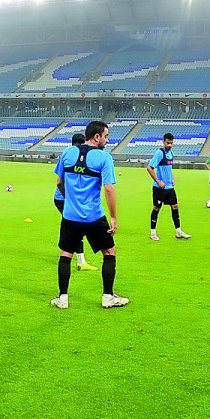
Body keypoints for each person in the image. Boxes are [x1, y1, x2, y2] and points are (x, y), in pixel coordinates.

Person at [51, 120, 127, 311]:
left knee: (66, 254)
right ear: (97, 136)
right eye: (106, 136)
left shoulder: (68, 153)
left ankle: (63, 298)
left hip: (70, 216)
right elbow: (109, 189)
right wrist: (114, 217)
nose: (107, 140)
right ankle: (108, 296)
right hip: (93, 216)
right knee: (109, 252)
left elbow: (59, 182)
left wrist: (70, 200)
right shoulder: (104, 157)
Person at [54, 133, 96, 271]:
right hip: (64, 198)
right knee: (77, 228)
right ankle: (80, 261)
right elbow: (61, 182)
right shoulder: (75, 156)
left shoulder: (67, 155)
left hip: (61, 197)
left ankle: (78, 259)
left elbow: (59, 180)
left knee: (75, 228)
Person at [147, 133, 192, 241]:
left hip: (169, 188)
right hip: (159, 188)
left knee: (175, 207)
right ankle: (153, 232)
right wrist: (158, 181)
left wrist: (172, 178)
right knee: (156, 208)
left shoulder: (171, 153)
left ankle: (178, 231)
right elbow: (149, 168)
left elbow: (169, 168)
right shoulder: (159, 153)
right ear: (163, 142)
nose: (170, 145)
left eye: (171, 143)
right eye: (168, 143)